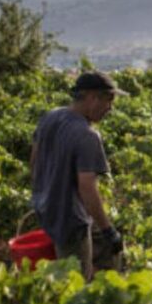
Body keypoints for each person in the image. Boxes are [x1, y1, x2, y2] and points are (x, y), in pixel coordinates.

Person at [30, 71, 126, 280]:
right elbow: (87, 188)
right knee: (74, 281)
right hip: (70, 219)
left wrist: (45, 193)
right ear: (92, 98)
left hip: (45, 208)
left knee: (63, 268)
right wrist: (108, 229)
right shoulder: (87, 135)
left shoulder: (50, 117)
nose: (110, 108)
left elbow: (34, 161)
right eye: (109, 101)